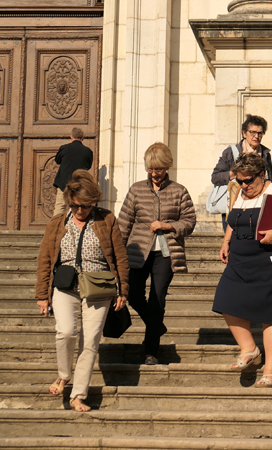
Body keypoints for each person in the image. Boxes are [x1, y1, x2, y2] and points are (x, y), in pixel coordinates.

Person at [212, 153, 272, 388]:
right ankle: (249, 349)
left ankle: (271, 371)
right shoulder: (239, 191)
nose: (244, 185)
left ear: (262, 175)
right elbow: (233, 220)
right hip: (240, 261)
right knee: (225, 299)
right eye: (240, 181)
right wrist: (226, 241)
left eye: (249, 181)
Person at [35, 170, 129, 412]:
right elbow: (45, 259)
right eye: (75, 206)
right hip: (65, 286)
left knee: (90, 342)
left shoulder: (106, 219)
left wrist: (123, 290)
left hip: (99, 287)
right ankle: (64, 375)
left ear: (93, 202)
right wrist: (42, 295)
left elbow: (120, 256)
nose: (80, 210)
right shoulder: (58, 223)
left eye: (85, 206)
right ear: (69, 202)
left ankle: (78, 395)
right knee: (65, 332)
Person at [118, 143, 196, 365]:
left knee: (157, 299)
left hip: (166, 253)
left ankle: (151, 350)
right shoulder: (136, 190)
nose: (154, 173)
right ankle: (156, 325)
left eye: (158, 169)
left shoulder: (179, 191)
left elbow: (189, 222)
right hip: (137, 251)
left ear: (167, 166)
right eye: (151, 169)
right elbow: (124, 223)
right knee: (132, 294)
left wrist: (168, 225)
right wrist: (116, 253)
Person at [210, 114, 272, 230]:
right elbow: (215, 177)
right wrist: (237, 173)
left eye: (260, 133)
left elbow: (269, 179)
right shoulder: (231, 152)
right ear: (244, 133)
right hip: (235, 204)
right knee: (232, 240)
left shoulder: (265, 154)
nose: (256, 136)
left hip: (257, 204)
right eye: (252, 132)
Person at [52, 127, 94, 217]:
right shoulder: (87, 151)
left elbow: (57, 160)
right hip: (79, 185)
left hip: (64, 184)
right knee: (78, 208)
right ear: (83, 138)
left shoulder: (64, 148)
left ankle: (56, 229)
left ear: (71, 137)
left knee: (60, 207)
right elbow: (88, 166)